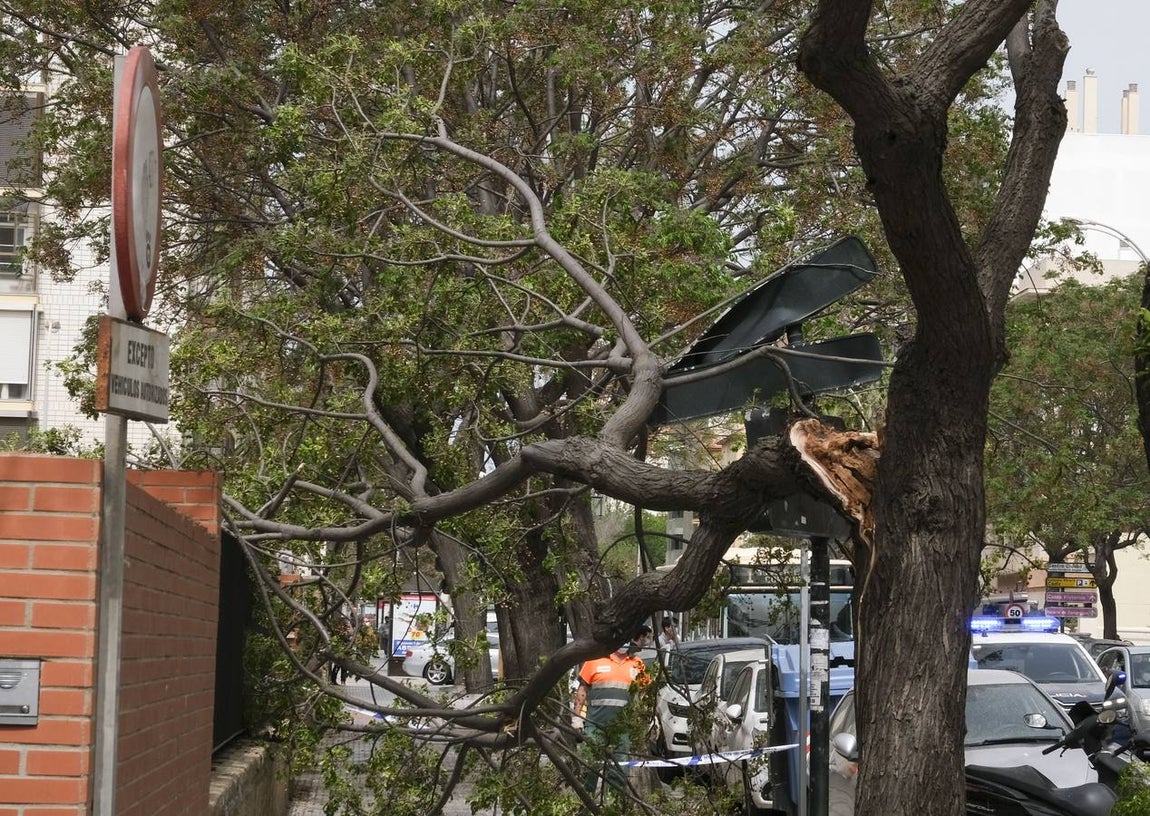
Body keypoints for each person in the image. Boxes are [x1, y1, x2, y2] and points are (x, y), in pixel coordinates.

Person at [572, 628, 651, 795]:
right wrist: (577, 717)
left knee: (618, 774)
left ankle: (613, 806)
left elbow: (645, 695)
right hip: (595, 727)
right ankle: (585, 806)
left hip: (622, 729)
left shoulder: (636, 664)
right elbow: (582, 690)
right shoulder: (594, 661)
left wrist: (648, 718)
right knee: (590, 770)